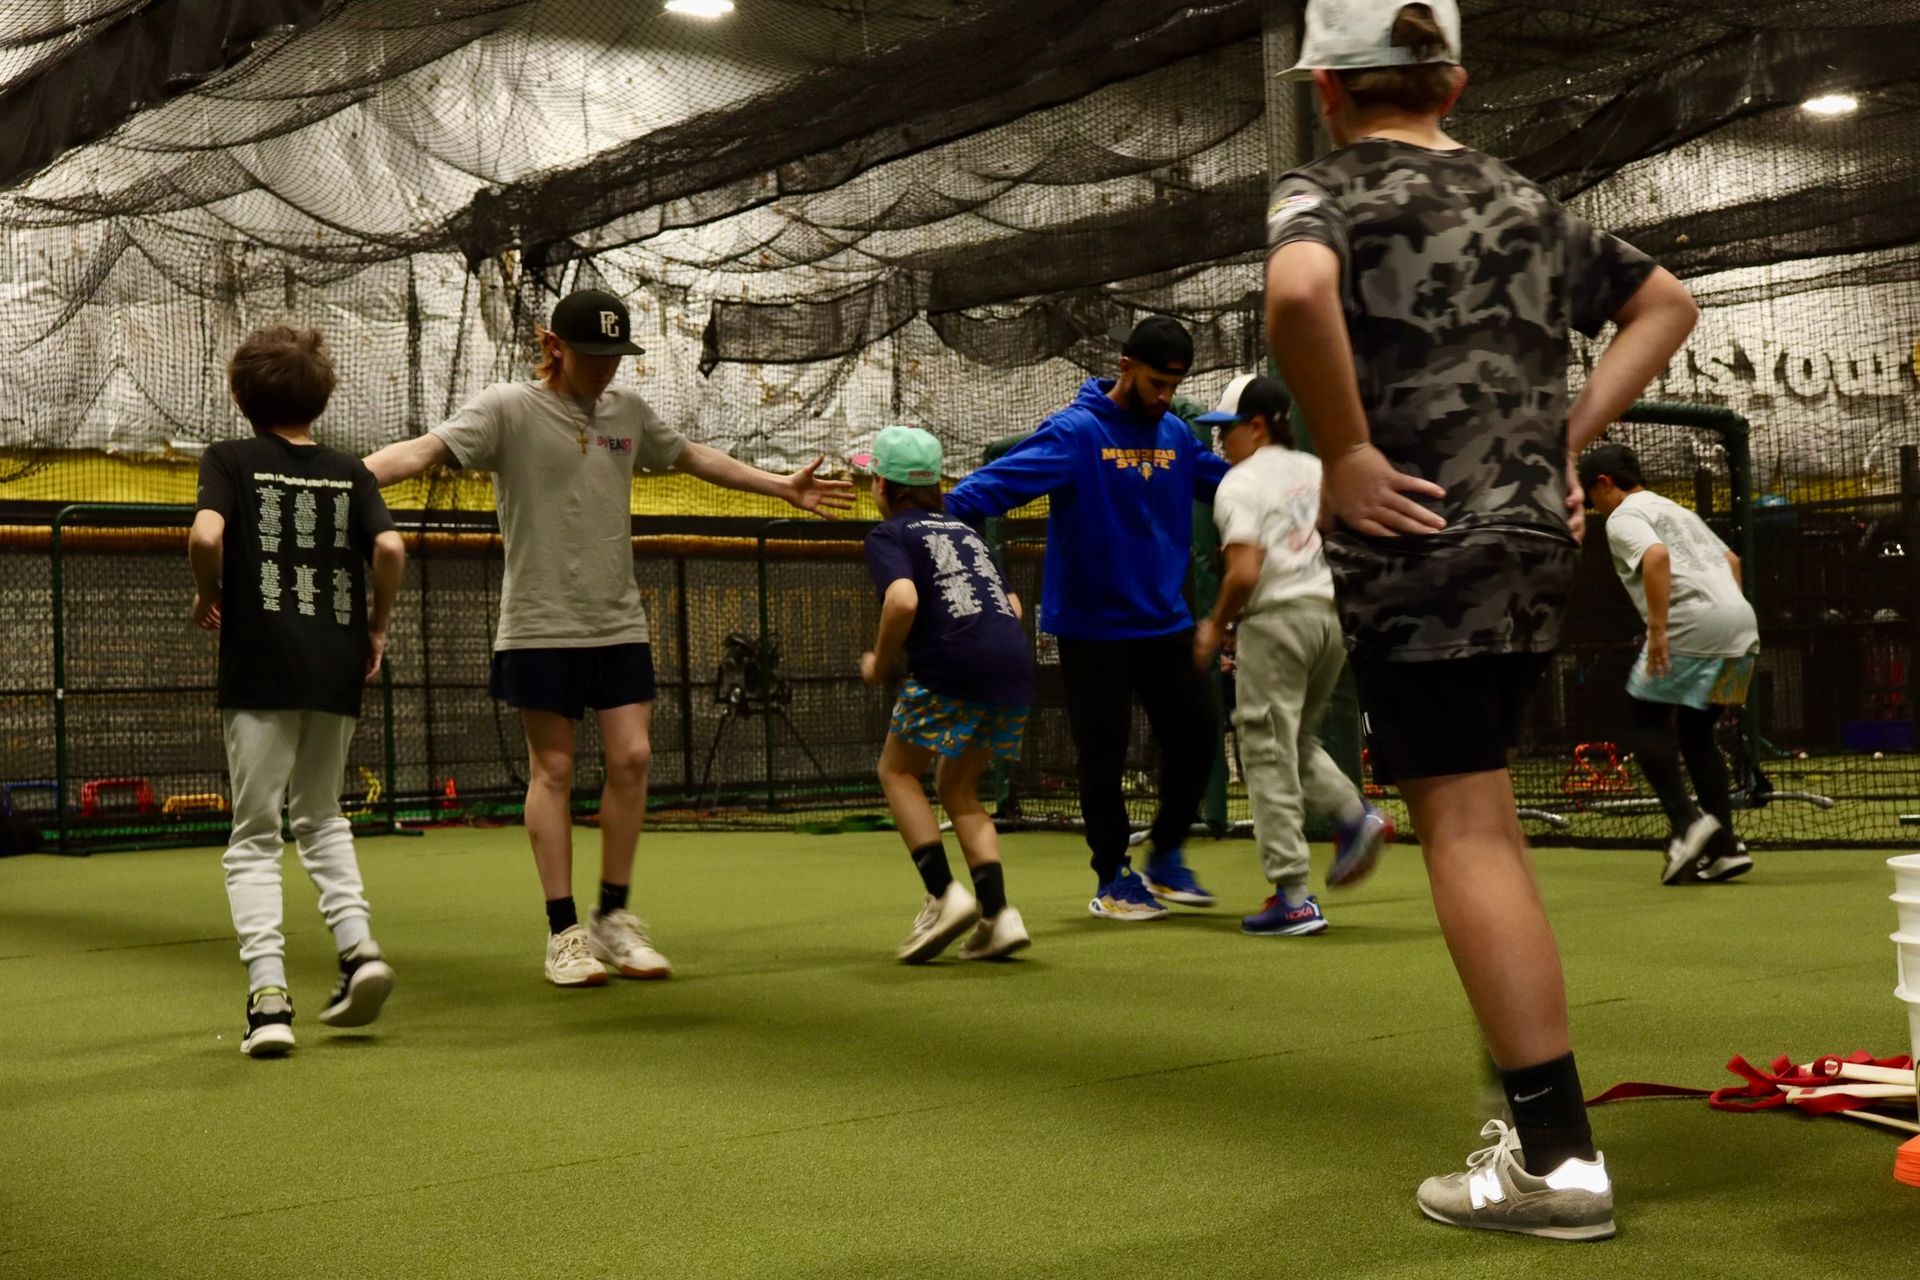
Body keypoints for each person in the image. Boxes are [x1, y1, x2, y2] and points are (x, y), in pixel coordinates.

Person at [1265, 0, 1699, 1239]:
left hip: (1414, 534)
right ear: (1452, 84)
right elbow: (1667, 304)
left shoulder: (1325, 185)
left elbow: (1299, 293)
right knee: (1485, 820)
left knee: (1464, 830)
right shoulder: (1526, 199)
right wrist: (1553, 442)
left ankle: (1557, 1159)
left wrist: (1344, 449)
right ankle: (1539, 1123)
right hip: (1525, 538)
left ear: (1326, 89)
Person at [364, 288, 853, 987]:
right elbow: (422, 452)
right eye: (591, 355)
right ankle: (564, 935)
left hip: (616, 621)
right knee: (554, 772)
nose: (605, 369)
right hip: (537, 624)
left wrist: (781, 487)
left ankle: (613, 920)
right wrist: (341, 481)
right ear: (552, 346)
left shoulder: (627, 413)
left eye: (615, 356)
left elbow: (693, 457)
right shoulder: (506, 408)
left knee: (633, 757)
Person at [945, 317, 1230, 921]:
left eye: (1174, 386)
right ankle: (1112, 878)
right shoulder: (1077, 433)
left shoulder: (1177, 435)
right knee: (1103, 752)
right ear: (1125, 366)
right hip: (1092, 627)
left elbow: (1230, 487)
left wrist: (1299, 488)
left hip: (1164, 623)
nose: (1164, 397)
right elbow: (990, 487)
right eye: (1156, 382)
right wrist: (927, 521)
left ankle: (1167, 854)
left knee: (1200, 730)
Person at [188, 325, 405, 1058]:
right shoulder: (350, 470)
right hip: (335, 663)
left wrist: (205, 593)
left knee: (254, 838)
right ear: (322, 396)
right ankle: (359, 950)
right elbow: (390, 548)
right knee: (322, 816)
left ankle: (269, 1000)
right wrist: (374, 629)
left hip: (261, 667)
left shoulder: (230, 460)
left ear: (242, 397)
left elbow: (205, 537)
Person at [1191, 374, 1393, 936]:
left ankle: (1293, 896)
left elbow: (1245, 571)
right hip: (1329, 620)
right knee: (1295, 739)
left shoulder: (1240, 482)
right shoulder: (1315, 470)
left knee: (1264, 751)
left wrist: (1215, 624)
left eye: (1226, 431)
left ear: (1256, 427)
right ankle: (1355, 817)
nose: (1220, 443)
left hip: (1276, 621)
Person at [856, 426, 1033, 963]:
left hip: (953, 665)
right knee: (958, 789)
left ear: (883, 486)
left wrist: (881, 663)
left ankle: (942, 896)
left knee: (897, 771)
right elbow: (1015, 607)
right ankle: (998, 915)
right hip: (1011, 666)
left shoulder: (891, 536)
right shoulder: (968, 532)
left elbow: (903, 601)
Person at [1581, 443, 1758, 885]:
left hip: (1690, 626)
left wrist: (1659, 630)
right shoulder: (1678, 511)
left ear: (1604, 484)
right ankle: (1724, 848)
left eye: (1590, 497)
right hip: (1742, 630)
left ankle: (1686, 824)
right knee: (1698, 732)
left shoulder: (1623, 517)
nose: (1592, 507)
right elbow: (1731, 561)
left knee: (1642, 721)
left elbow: (1656, 558)